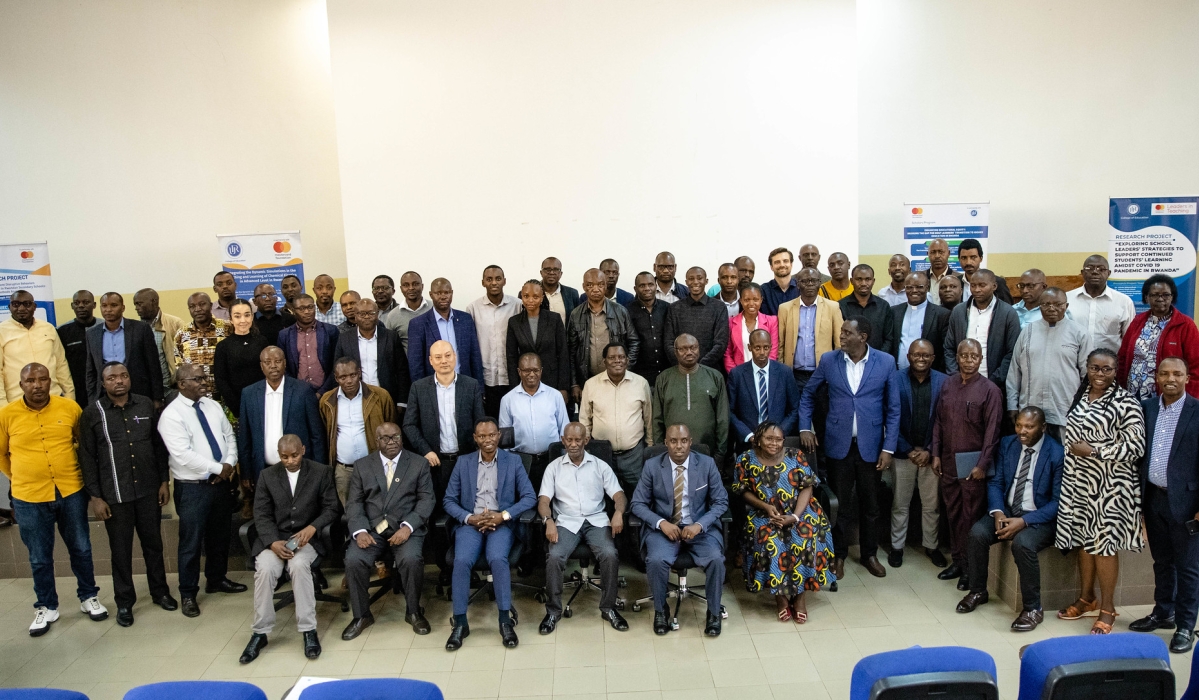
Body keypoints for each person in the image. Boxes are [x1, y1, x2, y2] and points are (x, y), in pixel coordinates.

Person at [0, 363, 106, 636]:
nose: (37, 385)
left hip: (70, 490)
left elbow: (84, 446)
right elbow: (2, 455)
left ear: (51, 381)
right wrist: (22, 477)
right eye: (30, 381)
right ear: (21, 385)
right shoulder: (6, 415)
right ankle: (46, 606)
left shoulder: (69, 408)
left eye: (42, 379)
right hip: (29, 497)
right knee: (38, 557)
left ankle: (88, 597)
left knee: (81, 548)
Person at [1054, 348, 1146, 635]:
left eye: (1106, 369)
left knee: (1104, 546)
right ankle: (1087, 598)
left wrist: (1094, 451)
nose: (1100, 374)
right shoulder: (1081, 395)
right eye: (1095, 368)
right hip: (1080, 484)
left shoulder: (1126, 401)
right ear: (1087, 368)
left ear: (1116, 370)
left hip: (1111, 487)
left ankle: (1108, 608)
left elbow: (1136, 447)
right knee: (1084, 541)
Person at [799, 318, 898, 579]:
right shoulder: (829, 360)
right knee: (839, 505)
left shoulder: (885, 362)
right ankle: (838, 555)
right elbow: (808, 394)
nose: (841, 337)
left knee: (871, 504)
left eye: (846, 333)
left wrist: (888, 448)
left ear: (863, 336)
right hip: (837, 444)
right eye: (841, 332)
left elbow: (894, 409)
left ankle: (869, 554)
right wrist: (805, 427)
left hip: (871, 446)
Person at [79, 361, 174, 627]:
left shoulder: (145, 405)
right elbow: (86, 458)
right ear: (103, 383)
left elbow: (158, 447)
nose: (119, 381)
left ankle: (160, 592)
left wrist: (163, 482)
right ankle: (124, 603)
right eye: (112, 378)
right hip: (114, 496)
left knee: (153, 545)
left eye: (124, 375)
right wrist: (95, 497)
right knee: (120, 552)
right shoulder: (92, 413)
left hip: (147, 490)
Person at [956, 407, 1064, 633]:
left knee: (1023, 544)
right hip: (1007, 510)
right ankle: (978, 591)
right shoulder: (1008, 444)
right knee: (977, 533)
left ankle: (1033, 608)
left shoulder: (1056, 454)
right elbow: (995, 483)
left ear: (1043, 428)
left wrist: (1024, 522)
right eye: (1019, 425)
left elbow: (1057, 502)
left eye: (1029, 427)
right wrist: (998, 512)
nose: (1022, 431)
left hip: (1039, 517)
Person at [239, 434, 340, 663]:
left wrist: (312, 528)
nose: (290, 461)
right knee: (264, 569)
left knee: (298, 565)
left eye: (294, 455)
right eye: (284, 457)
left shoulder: (320, 472)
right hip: (276, 539)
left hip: (307, 539)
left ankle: (308, 630)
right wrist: (272, 541)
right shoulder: (267, 475)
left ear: (303, 450)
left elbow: (332, 508)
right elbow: (261, 514)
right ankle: (260, 632)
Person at [157, 364, 246, 618]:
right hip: (193, 488)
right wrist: (219, 468)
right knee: (191, 543)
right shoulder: (171, 415)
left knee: (219, 536)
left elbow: (229, 436)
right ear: (181, 384)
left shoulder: (213, 405)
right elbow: (182, 455)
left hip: (220, 484)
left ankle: (216, 580)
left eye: (204, 377)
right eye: (197, 379)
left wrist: (228, 465)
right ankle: (187, 593)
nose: (204, 382)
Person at [444, 418, 537, 650]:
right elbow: (448, 500)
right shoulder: (463, 462)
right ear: (475, 438)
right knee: (462, 560)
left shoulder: (513, 461)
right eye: (482, 436)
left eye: (492, 435)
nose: (488, 440)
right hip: (471, 522)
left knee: (498, 559)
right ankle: (460, 623)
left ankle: (505, 621)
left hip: (501, 523)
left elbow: (529, 497)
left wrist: (503, 515)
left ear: (499, 436)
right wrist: (470, 518)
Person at [631, 424, 729, 636]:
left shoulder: (706, 464)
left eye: (683, 441)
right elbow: (637, 504)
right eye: (673, 441)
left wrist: (700, 524)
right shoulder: (652, 466)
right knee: (656, 560)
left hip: (699, 528)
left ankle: (713, 613)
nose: (679, 446)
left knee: (715, 559)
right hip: (665, 529)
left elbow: (721, 502)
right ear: (665, 443)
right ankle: (660, 610)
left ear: (690, 442)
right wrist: (661, 523)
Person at [733, 421, 834, 623]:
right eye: (769, 439)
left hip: (801, 510)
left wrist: (795, 516)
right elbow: (742, 491)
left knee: (804, 537)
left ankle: (800, 598)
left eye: (779, 439)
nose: (774, 443)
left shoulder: (795, 455)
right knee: (772, 541)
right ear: (758, 439)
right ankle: (780, 598)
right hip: (765, 512)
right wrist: (765, 507)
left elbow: (807, 487)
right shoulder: (746, 459)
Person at [342, 423, 435, 639]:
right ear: (377, 441)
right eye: (385, 438)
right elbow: (354, 503)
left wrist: (408, 526)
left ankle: (413, 612)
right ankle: (362, 615)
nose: (391, 442)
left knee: (411, 559)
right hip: (372, 530)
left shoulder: (418, 463)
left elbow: (426, 499)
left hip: (405, 529)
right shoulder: (363, 465)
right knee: (354, 559)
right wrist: (359, 531)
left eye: (395, 437)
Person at [1131, 358, 1199, 652]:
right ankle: (1163, 612)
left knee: (1188, 567)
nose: (1171, 378)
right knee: (1162, 562)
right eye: (1165, 373)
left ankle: (1186, 625)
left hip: (1187, 501)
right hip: (1154, 498)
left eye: (1177, 373)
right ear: (1156, 377)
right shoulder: (1146, 408)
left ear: (1186, 377)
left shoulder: (1197, 411)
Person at [538, 422, 628, 634]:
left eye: (578, 440)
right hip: (567, 522)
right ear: (563, 440)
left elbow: (619, 495)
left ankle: (609, 608)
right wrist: (548, 520)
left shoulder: (599, 465)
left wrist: (618, 512)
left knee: (610, 554)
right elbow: (543, 501)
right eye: (569, 440)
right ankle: (553, 612)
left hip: (596, 520)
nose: (573, 444)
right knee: (555, 557)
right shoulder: (553, 468)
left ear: (586, 441)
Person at [931, 339, 1003, 590]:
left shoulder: (990, 390)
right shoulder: (948, 384)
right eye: (964, 356)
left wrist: (983, 464)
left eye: (974, 356)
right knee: (953, 515)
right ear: (957, 358)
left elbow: (992, 432)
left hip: (973, 465)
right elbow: (939, 421)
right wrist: (936, 453)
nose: (969, 360)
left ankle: (970, 571)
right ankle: (958, 562)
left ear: (981, 359)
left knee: (970, 517)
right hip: (948, 462)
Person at [886, 339, 948, 569]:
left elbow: (945, 421)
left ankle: (931, 546)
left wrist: (930, 450)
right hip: (903, 454)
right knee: (900, 504)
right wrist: (909, 450)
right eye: (916, 355)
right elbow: (889, 417)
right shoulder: (895, 379)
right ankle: (897, 547)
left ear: (933, 358)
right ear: (908, 356)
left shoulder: (944, 381)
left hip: (932, 456)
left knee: (931, 505)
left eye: (925, 355)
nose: (920, 359)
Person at [403, 340, 485, 506]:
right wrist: (425, 450)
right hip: (435, 463)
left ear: (455, 356)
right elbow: (409, 425)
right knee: (438, 510)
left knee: (467, 506)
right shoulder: (419, 388)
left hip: (466, 459)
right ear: (431, 361)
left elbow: (480, 423)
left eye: (448, 355)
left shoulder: (471, 385)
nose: (444, 361)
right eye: (438, 357)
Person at [1006, 288, 1091, 441]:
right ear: (1040, 306)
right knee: (1034, 458)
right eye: (1046, 304)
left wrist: (1084, 408)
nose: (1052, 308)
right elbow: (1014, 372)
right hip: (1031, 411)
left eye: (1058, 304)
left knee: (1063, 458)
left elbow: (1088, 376)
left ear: (1066, 306)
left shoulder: (1079, 333)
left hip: (1065, 410)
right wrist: (1012, 404)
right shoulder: (1027, 332)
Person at [238, 346, 326, 484]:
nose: (273, 366)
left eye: (277, 361)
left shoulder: (303, 391)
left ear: (284, 363)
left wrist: (320, 470)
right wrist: (246, 472)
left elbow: (317, 434)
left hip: (300, 470)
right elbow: (245, 437)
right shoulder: (249, 394)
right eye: (268, 362)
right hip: (263, 471)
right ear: (261, 366)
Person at [579, 343, 653, 495]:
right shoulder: (591, 385)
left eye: (621, 357)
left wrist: (650, 446)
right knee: (602, 497)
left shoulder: (641, 383)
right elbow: (585, 420)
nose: (617, 361)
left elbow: (649, 418)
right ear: (604, 361)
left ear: (627, 360)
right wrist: (586, 449)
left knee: (639, 496)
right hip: (601, 455)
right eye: (612, 357)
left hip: (634, 454)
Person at [319, 357, 395, 504]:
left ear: (359, 373)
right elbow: (326, 432)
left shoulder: (380, 396)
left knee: (380, 508)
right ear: (336, 378)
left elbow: (392, 427)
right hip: (343, 470)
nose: (349, 381)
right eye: (343, 377)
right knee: (350, 514)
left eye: (353, 375)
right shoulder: (327, 401)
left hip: (375, 466)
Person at [1118, 274, 1199, 400]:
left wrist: (1188, 399)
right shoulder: (1138, 321)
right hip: (1132, 393)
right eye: (1154, 295)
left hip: (1167, 396)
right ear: (1147, 297)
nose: (1160, 299)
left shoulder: (1185, 325)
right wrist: (1121, 387)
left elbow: (1195, 366)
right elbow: (1123, 357)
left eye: (1165, 295)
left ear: (1172, 297)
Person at [568, 269, 639, 403]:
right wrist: (574, 383)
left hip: (617, 379)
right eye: (590, 285)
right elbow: (571, 351)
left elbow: (634, 341)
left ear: (606, 285)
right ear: (584, 287)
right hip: (587, 380)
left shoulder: (620, 311)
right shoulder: (576, 314)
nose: (595, 289)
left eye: (600, 285)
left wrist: (625, 368)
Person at [499, 353, 570, 485]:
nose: (531, 374)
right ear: (519, 372)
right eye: (526, 370)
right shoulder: (508, 400)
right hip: (521, 462)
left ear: (541, 371)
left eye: (536, 370)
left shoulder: (555, 396)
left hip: (551, 459)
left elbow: (564, 431)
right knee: (525, 501)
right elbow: (505, 441)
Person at [653, 335, 729, 457]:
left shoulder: (715, 377)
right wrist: (659, 451)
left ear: (699, 349)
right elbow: (657, 420)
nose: (689, 352)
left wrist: (720, 453)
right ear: (675, 352)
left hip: (708, 452)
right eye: (683, 349)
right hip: (672, 454)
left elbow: (722, 419)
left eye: (693, 348)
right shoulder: (663, 379)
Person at [82, 292, 162, 407]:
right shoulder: (92, 334)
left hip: (139, 392)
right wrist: (92, 399)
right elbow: (91, 370)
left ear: (123, 308)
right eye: (104, 306)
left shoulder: (141, 329)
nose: (108, 309)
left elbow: (153, 365)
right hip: (105, 395)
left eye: (114, 305)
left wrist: (157, 398)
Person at [944, 270, 1020, 385]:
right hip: (961, 383)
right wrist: (956, 376)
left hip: (995, 384)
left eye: (982, 285)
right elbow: (949, 347)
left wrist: (994, 381)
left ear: (994, 286)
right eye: (973, 285)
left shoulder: (1008, 313)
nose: (977, 290)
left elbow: (1012, 353)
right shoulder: (959, 311)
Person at [728, 329, 800, 451]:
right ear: (750, 347)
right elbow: (729, 411)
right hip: (749, 443)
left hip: (778, 443)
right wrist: (749, 435)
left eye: (766, 348)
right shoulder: (737, 374)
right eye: (757, 348)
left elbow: (795, 408)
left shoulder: (784, 372)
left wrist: (778, 434)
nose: (762, 352)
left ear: (771, 347)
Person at [0, 290, 75, 406]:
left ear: (34, 307)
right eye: (16, 304)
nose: (21, 308)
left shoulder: (48, 328)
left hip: (53, 397)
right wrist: (3, 405)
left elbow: (61, 364)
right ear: (9, 307)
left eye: (27, 304)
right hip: (17, 402)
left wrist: (70, 395)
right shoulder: (2, 331)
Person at [335, 298, 411, 411]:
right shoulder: (344, 338)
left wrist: (402, 402)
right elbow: (338, 369)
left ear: (377, 315)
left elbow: (402, 371)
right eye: (362, 314)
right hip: (356, 399)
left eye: (371, 313)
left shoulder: (391, 337)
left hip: (387, 397)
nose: (366, 317)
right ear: (355, 316)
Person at [406, 277, 484, 384]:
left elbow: (475, 357)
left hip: (465, 384)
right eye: (438, 293)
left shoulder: (465, 319)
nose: (443, 297)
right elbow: (415, 364)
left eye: (446, 292)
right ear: (431, 295)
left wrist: (479, 388)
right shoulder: (418, 324)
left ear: (451, 293)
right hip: (434, 387)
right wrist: (422, 392)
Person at [778, 267, 843, 395]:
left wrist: (835, 372)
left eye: (814, 281)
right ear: (797, 284)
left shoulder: (832, 307)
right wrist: (782, 372)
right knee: (796, 411)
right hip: (794, 375)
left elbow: (839, 343)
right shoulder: (785, 308)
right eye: (805, 281)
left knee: (820, 413)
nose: (810, 285)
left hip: (823, 373)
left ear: (820, 283)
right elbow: (781, 344)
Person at [466, 265, 521, 416]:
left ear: (504, 281)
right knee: (489, 421)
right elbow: (470, 344)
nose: (494, 283)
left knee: (512, 421)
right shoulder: (473, 308)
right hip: (485, 378)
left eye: (498, 278)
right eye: (489, 279)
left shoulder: (517, 305)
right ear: (483, 282)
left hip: (512, 375)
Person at [507, 280, 569, 402]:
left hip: (552, 380)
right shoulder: (514, 322)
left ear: (542, 298)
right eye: (526, 296)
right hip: (526, 381)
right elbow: (511, 357)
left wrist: (563, 387)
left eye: (535, 296)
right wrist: (515, 388)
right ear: (521, 298)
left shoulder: (554, 319)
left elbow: (563, 353)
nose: (530, 300)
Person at [1067, 255, 1136, 353]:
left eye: (1101, 269)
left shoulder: (1124, 302)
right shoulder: (1067, 299)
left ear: (1108, 273)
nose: (1095, 272)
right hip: (1073, 363)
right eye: (1090, 268)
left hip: (1109, 365)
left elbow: (1128, 340)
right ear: (1082, 273)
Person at [664, 266, 729, 370]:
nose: (695, 282)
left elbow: (721, 343)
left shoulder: (719, 307)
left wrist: (700, 366)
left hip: (710, 370)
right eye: (691, 279)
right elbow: (669, 342)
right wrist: (684, 364)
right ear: (686, 282)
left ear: (706, 281)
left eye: (699, 278)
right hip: (681, 370)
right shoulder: (674, 308)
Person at [211, 298, 266, 416]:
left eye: (247, 315)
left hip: (263, 403)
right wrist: (237, 407)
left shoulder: (262, 342)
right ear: (230, 319)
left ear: (252, 317)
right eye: (237, 316)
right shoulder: (223, 346)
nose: (243, 320)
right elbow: (221, 379)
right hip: (236, 407)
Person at [277, 293, 340, 395]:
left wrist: (322, 392)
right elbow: (284, 367)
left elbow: (337, 364)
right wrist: (296, 390)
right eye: (301, 308)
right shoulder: (284, 335)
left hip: (327, 392)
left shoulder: (330, 331)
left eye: (310, 307)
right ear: (293, 310)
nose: (307, 312)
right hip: (297, 393)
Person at [889, 271, 951, 372]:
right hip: (897, 374)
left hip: (930, 375)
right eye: (909, 287)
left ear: (927, 288)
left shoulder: (942, 314)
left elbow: (945, 350)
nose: (914, 290)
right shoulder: (894, 312)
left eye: (919, 287)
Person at [173, 292, 230, 399]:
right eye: (192, 306)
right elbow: (180, 367)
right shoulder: (182, 334)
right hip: (195, 396)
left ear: (211, 305)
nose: (197, 309)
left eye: (202, 304)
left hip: (224, 395)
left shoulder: (227, 328)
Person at [133, 288, 185, 394]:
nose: (136, 308)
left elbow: (185, 355)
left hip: (172, 386)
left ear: (154, 301)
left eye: (139, 304)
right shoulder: (135, 329)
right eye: (135, 304)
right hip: (147, 388)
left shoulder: (175, 324)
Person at [625, 271, 669, 386]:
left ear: (655, 286)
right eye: (642, 285)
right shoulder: (627, 311)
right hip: (639, 375)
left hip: (667, 372)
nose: (647, 288)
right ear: (635, 289)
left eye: (650, 284)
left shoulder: (667, 308)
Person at [840, 264, 896, 353]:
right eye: (859, 279)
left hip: (878, 361)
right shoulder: (840, 306)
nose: (863, 283)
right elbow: (839, 337)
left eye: (868, 279)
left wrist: (879, 358)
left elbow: (889, 338)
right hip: (848, 360)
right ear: (851, 281)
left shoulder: (883, 306)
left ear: (873, 281)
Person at [724, 283, 778, 371]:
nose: (751, 303)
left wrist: (764, 373)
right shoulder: (730, 322)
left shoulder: (772, 322)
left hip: (764, 374)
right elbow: (727, 354)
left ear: (761, 300)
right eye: (747, 300)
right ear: (741, 300)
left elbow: (773, 353)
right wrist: (736, 375)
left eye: (755, 299)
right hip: (738, 375)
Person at [57, 290, 96, 407]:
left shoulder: (103, 326)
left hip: (100, 387)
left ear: (94, 305)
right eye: (77, 303)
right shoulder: (62, 331)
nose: (81, 306)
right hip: (75, 388)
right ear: (72, 306)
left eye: (86, 302)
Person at [384, 271, 432, 354]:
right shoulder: (392, 316)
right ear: (401, 288)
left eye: (415, 284)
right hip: (407, 365)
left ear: (422, 286)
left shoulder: (434, 308)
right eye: (406, 285)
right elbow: (390, 346)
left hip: (437, 364)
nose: (411, 288)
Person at [956, 239, 1013, 304]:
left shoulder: (996, 282)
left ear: (981, 258)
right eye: (964, 258)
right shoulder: (956, 282)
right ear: (959, 259)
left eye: (973, 257)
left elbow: (1007, 309)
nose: (968, 262)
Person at [761, 247, 799, 316]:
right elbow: (765, 319)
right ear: (771, 267)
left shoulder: (801, 288)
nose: (782, 265)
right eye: (777, 262)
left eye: (785, 261)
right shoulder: (764, 290)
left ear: (791, 264)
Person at [539, 257, 580, 321]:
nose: (552, 272)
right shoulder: (530, 293)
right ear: (541, 273)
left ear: (561, 274)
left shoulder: (572, 294)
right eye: (548, 269)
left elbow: (577, 320)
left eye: (556, 269)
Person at [924, 238, 954, 305]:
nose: (937, 256)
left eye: (941, 252)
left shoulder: (957, 278)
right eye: (933, 252)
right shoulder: (921, 278)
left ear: (948, 253)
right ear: (928, 254)